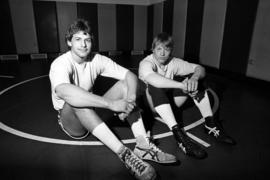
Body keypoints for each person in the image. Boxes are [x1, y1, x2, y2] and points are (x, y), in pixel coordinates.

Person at [49, 19, 178, 180]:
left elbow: (130, 75)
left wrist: (129, 100)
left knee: (126, 85)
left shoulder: (96, 59)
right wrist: (111, 104)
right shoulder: (60, 64)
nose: (83, 45)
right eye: (78, 40)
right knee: (77, 99)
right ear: (69, 42)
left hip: (93, 111)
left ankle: (143, 145)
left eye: (87, 40)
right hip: (71, 121)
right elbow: (64, 91)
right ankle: (125, 154)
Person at [138, 32, 236, 159]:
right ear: (153, 50)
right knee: (155, 85)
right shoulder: (146, 63)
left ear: (171, 50)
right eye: (159, 49)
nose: (162, 53)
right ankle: (180, 137)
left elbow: (200, 68)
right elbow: (152, 78)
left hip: (168, 104)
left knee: (196, 81)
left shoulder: (173, 62)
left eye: (166, 49)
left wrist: (194, 79)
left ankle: (210, 124)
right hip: (150, 105)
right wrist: (181, 85)